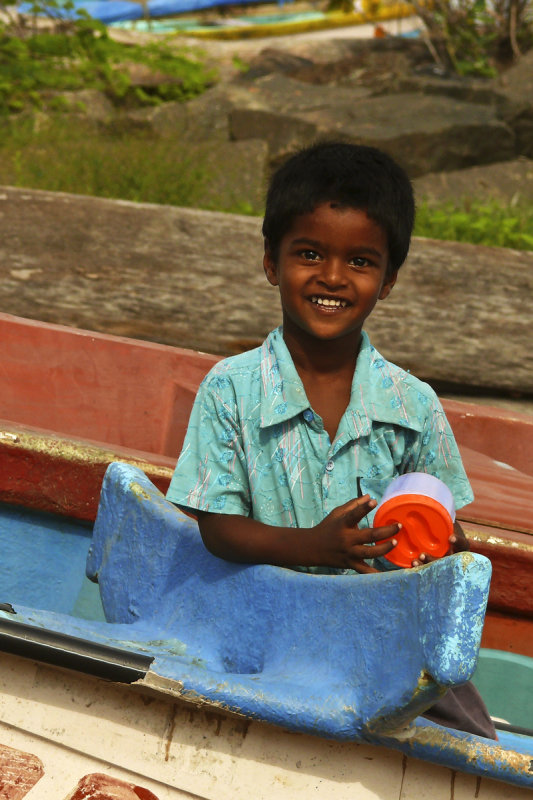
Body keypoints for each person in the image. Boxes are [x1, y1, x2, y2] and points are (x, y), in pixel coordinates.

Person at [167, 141, 496, 739]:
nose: (332, 278)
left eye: (361, 262)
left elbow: (440, 522)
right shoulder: (232, 389)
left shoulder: (412, 404)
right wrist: (320, 546)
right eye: (310, 253)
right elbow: (218, 529)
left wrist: (441, 549)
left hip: (384, 636)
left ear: (389, 280)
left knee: (470, 735)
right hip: (267, 623)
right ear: (271, 262)